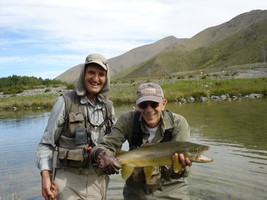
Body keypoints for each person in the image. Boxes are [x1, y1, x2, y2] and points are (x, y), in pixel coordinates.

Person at [35, 53, 117, 200]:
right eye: (91, 72)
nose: (96, 79)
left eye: (101, 74)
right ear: (83, 74)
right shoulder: (64, 102)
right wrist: (45, 176)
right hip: (68, 181)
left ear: (106, 78)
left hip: (98, 181)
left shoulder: (109, 107)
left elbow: (114, 144)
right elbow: (45, 145)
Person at [92, 82, 192, 200]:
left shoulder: (178, 123)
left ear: (163, 104)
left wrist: (180, 167)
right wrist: (101, 154)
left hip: (172, 188)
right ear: (137, 106)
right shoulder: (127, 120)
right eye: (143, 105)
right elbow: (107, 145)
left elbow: (184, 173)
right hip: (136, 190)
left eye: (154, 104)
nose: (149, 110)